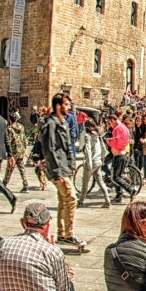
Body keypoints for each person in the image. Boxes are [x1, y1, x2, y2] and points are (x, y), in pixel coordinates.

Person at [0, 202, 83, 291]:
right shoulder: (52, 251)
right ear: (47, 226)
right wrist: (65, 276)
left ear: (22, 222)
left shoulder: (5, 244)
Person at [41, 94, 86, 251]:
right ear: (58, 106)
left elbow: (68, 146)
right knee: (72, 199)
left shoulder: (64, 123)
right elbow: (49, 149)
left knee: (64, 200)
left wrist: (72, 164)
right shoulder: (50, 124)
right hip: (58, 170)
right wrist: (57, 172)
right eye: (66, 104)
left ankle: (62, 234)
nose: (69, 107)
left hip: (65, 168)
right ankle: (68, 234)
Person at [78, 118, 110, 208]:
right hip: (98, 161)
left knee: (85, 182)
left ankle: (81, 201)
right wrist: (102, 159)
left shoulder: (87, 136)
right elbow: (104, 148)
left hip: (91, 162)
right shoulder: (98, 135)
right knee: (100, 181)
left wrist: (89, 162)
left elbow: (88, 149)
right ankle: (107, 201)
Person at [4, 113, 32, 193]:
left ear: (10, 120)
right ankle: (26, 185)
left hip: (13, 151)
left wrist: (8, 153)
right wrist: (24, 149)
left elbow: (8, 141)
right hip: (21, 151)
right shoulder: (21, 127)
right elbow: (24, 139)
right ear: (16, 119)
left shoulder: (9, 129)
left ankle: (4, 184)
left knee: (9, 169)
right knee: (22, 168)